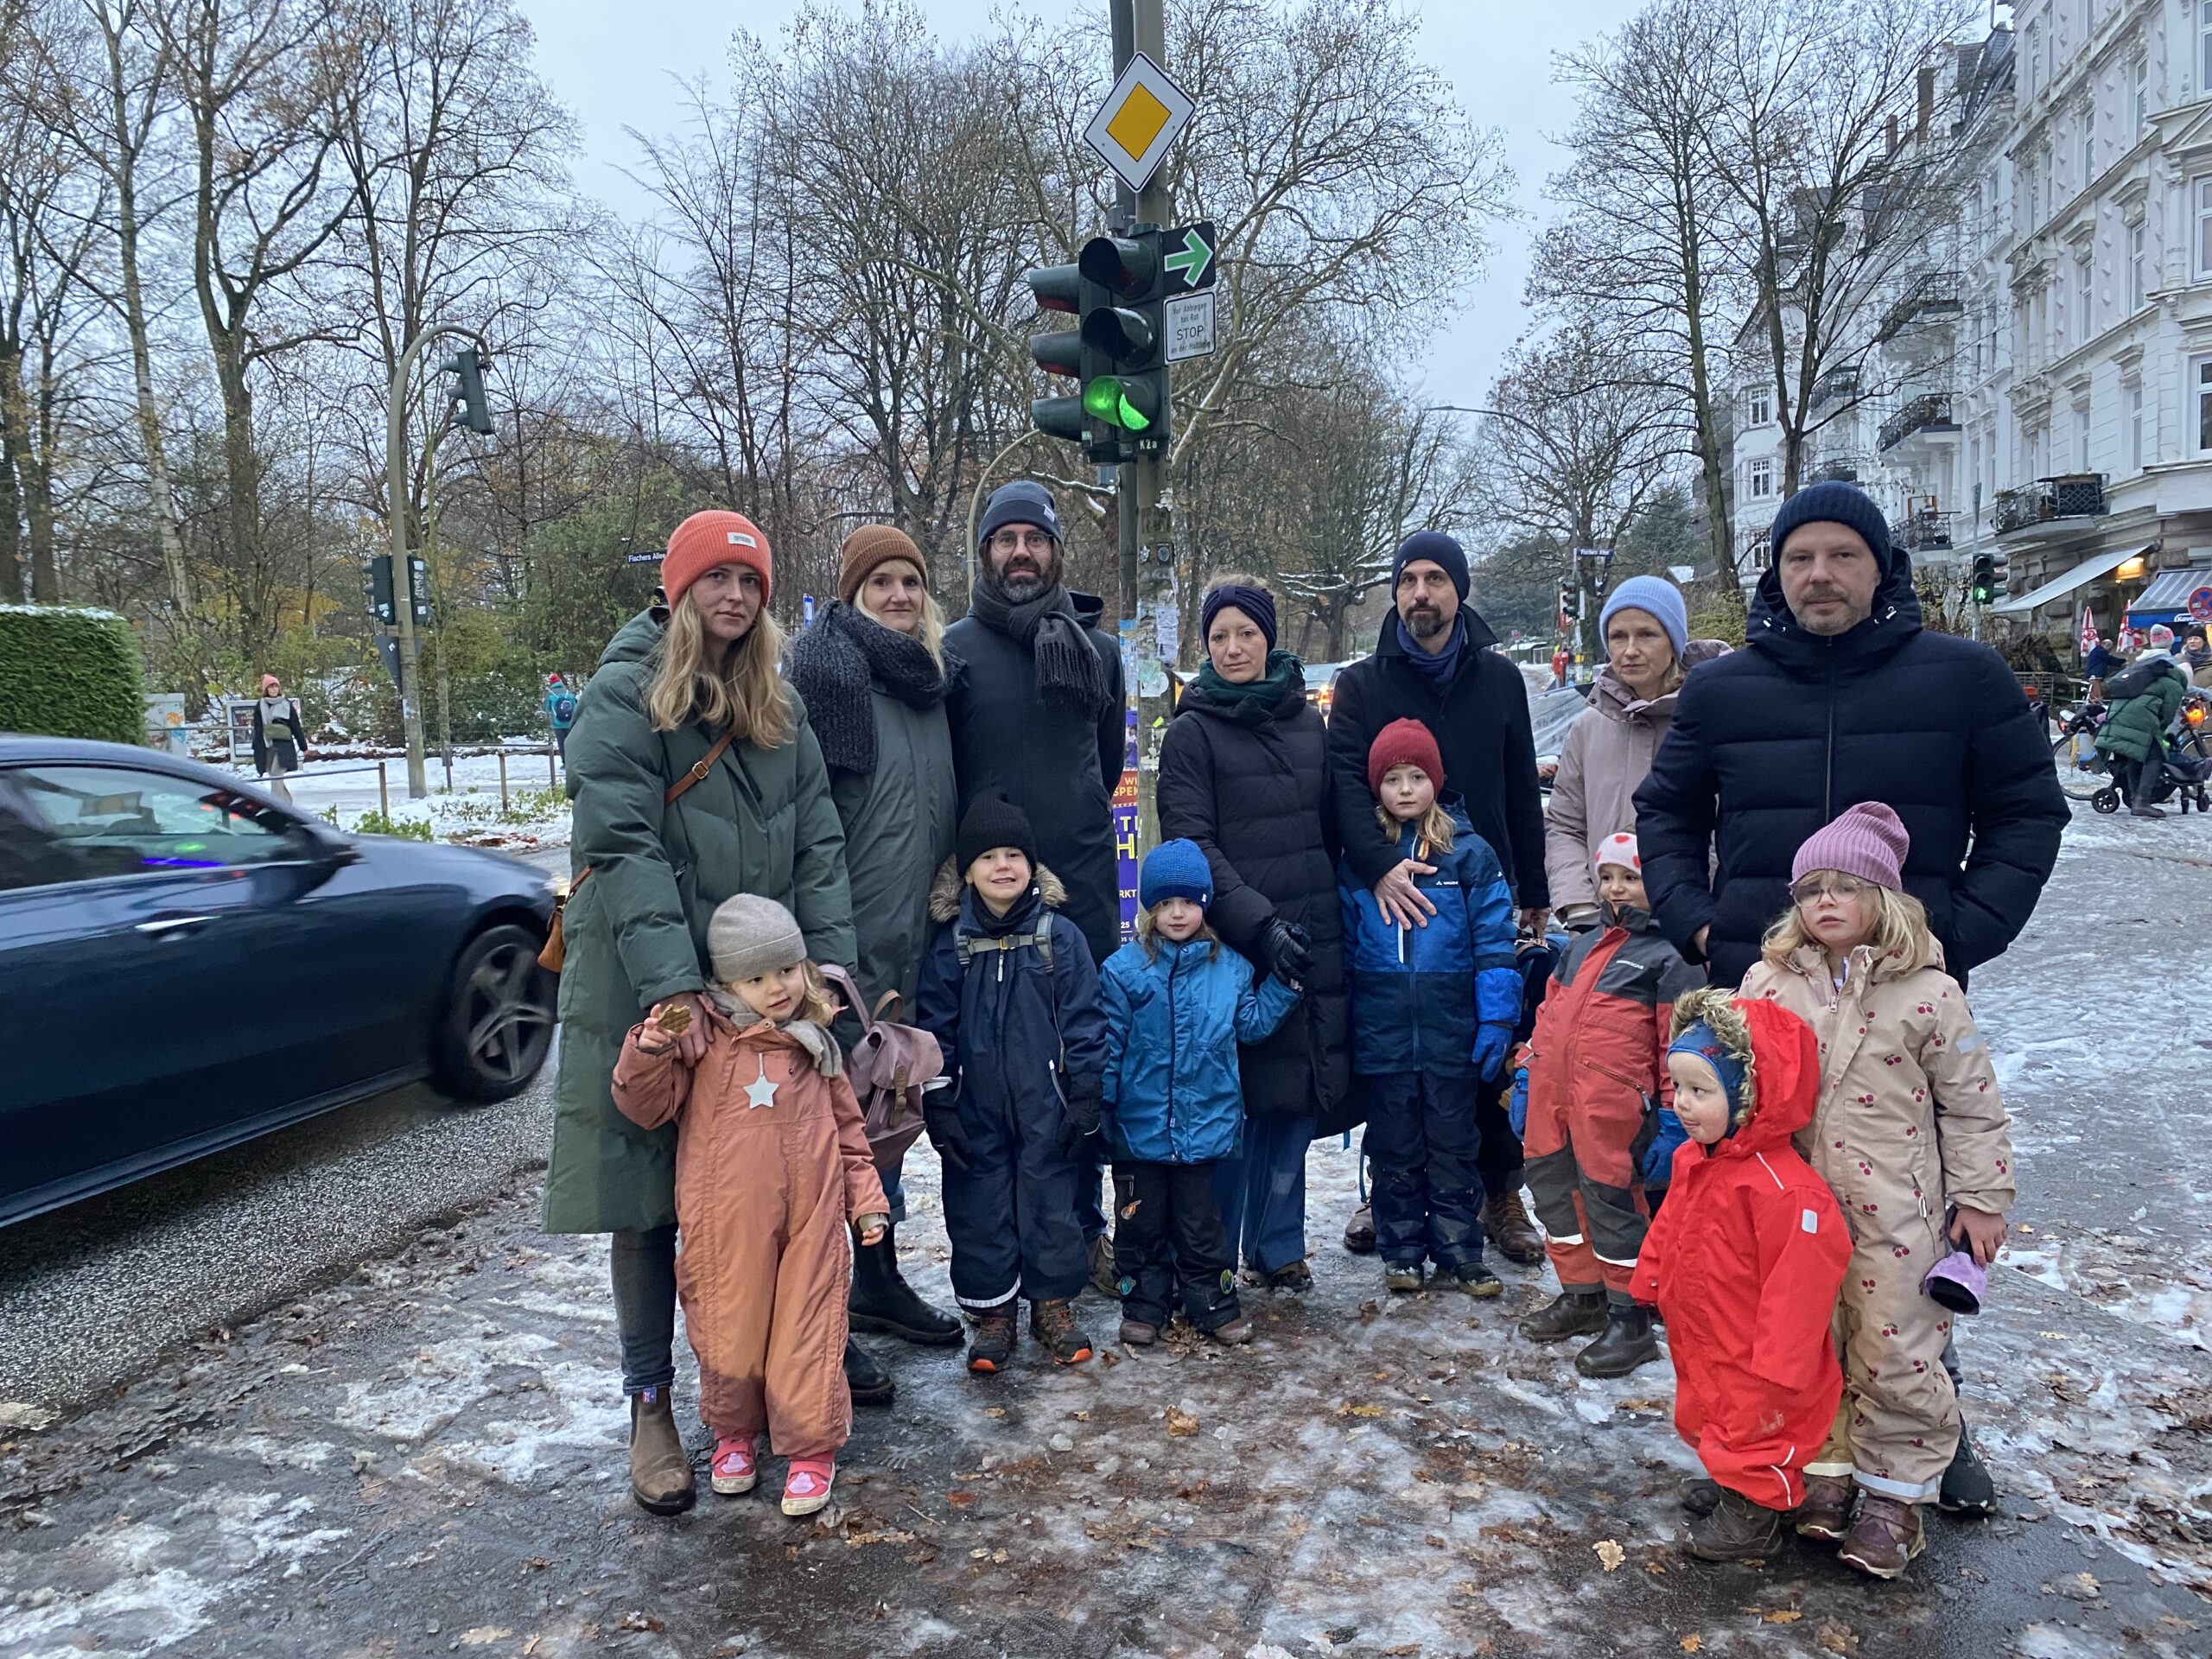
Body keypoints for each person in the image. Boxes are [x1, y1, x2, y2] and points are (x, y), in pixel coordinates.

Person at [542, 509, 855, 1519]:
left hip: (761, 988)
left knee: (766, 1199)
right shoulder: (625, 693)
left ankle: (764, 1393)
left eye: (751, 582)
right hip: (652, 981)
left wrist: (825, 970)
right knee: (646, 1200)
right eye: (715, 579)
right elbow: (623, 845)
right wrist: (679, 986)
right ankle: (652, 1405)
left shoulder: (779, 703)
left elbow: (817, 842)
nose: (734, 596)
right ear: (677, 589)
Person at [1636, 480, 2067, 993]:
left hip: (1907, 991)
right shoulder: (1718, 690)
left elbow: (2026, 814)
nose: (1819, 574)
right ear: (1778, 571)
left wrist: (1956, 934)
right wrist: (1704, 928)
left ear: (1879, 567)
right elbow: (1667, 812)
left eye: (1843, 554)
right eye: (1799, 558)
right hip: (1757, 980)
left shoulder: (1965, 676)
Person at [1738, 804, 2016, 1579]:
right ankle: (1824, 1475)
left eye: (1845, 887)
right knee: (1811, 1343)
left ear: (1886, 899)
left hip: (1898, 1213)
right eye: (1809, 890)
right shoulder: (1767, 981)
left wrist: (1982, 1200)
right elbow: (1739, 1079)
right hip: (1795, 1210)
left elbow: (1971, 1105)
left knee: (1897, 1350)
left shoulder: (1930, 994)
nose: (1824, 902)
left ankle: (1895, 1499)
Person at [609, 895, 889, 1519]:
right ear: (727, 983)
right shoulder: (706, 1042)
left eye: (786, 971)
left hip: (812, 1223)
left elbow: (849, 1135)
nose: (777, 988)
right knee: (730, 1336)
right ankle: (735, 1435)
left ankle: (812, 1449)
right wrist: (649, 1048)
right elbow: (645, 1105)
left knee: (806, 1334)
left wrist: (865, 1202)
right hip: (725, 1225)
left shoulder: (816, 1047)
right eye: (756, 978)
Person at [1325, 531, 1549, 1266]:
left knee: (1485, 1049)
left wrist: (1534, 893)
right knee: (1397, 1057)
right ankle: (1381, 1191)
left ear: (1459, 590)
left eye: (1435, 580)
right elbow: (1344, 791)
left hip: (1482, 885)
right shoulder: (1362, 684)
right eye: (1408, 580)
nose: (1420, 593)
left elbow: (1521, 788)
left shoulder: (1498, 678)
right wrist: (1378, 867)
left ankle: (1497, 1191)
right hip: (1392, 890)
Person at [783, 524, 962, 1351]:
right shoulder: (832, 680)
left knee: (886, 1120)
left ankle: (877, 1280)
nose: (898, 595)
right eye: (880, 582)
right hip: (841, 953)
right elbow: (806, 825)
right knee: (827, 1140)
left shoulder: (927, 687)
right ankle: (823, 1313)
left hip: (910, 944)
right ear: (853, 594)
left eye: (909, 582)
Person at [944, 480, 1126, 1290]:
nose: (1021, 552)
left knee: (1079, 1072)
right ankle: (1005, 1250)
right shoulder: (952, 652)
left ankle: (1082, 1231)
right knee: (995, 1087)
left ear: (1057, 551)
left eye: (1036, 539)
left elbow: (1109, 764)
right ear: (985, 552)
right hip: (986, 905)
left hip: (1079, 893)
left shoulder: (1100, 652)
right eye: (1005, 538)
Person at [1155, 575, 1351, 1291]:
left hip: (1314, 932)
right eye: (1218, 637)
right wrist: (1258, 926)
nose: (1233, 648)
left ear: (1269, 638)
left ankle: (1279, 1244)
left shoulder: (1307, 722)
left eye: (1245, 633)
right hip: (1238, 942)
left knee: (1295, 1100)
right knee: (1235, 1104)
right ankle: (1214, 1253)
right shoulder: (1191, 731)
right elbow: (1194, 844)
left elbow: (1330, 827)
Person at [1631, 990, 1851, 1565]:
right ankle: (1734, 1489)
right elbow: (1669, 1224)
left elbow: (1802, 1283)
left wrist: (1780, 1362)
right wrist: (1651, 1280)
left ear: (1752, 1095)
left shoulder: (1785, 1190)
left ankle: (1754, 1515)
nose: (1682, 1104)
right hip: (1704, 1327)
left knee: (1756, 1427)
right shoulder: (1693, 1160)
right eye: (1678, 1088)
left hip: (1756, 1349)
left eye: (1701, 1091)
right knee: (1709, 1411)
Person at [915, 789, 1109, 1375]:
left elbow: (1084, 1017)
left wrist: (1086, 1094)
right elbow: (935, 1027)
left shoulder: (1061, 937)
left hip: (1045, 1103)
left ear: (1032, 866)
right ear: (967, 872)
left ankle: (1052, 1306)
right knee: (980, 1204)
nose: (1004, 866)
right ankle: (994, 1312)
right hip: (975, 1106)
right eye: (989, 857)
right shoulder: (951, 945)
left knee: (1052, 1202)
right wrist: (940, 1100)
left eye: (1014, 855)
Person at [1338, 719, 1520, 1297]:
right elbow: (1344, 941)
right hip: (1384, 1024)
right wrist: (1345, 1016)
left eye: (1417, 776)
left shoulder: (1469, 854)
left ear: (1436, 781)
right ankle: (1402, 1248)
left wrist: (1495, 1017)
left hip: (1450, 1024)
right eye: (1393, 778)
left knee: (1452, 1141)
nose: (1407, 789)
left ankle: (1459, 1247)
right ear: (1377, 787)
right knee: (1394, 1143)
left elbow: (1495, 941)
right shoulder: (1363, 858)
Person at [1099, 839, 1300, 1347]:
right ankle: (1145, 1304)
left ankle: (1212, 1302)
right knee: (1141, 1225)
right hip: (1140, 1130)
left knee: (1202, 1227)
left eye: (1187, 902)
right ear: (1149, 908)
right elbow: (1110, 1047)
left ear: (1204, 904)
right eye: (1165, 903)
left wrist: (1287, 985)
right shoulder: (1123, 972)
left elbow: (1250, 1026)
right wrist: (1099, 1108)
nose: (1177, 913)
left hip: (1206, 1128)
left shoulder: (1230, 969)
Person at [1517, 833, 1702, 1378]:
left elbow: (1678, 1045)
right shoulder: (1577, 945)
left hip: (1616, 1109)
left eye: (1631, 878)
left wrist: (1672, 1117)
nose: (1616, 889)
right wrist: (1528, 1072)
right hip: (1553, 1100)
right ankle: (1582, 1295)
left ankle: (1632, 1318)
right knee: (1553, 1194)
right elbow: (1548, 1016)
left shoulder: (1673, 957)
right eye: (1607, 878)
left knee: (1612, 1205)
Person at [1544, 575, 1727, 931]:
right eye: (1618, 636)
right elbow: (1565, 824)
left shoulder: (1715, 718)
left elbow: (1731, 829)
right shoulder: (1588, 726)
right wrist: (1580, 906)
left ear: (1674, 642)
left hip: (1694, 929)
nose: (1630, 649)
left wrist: (1699, 913)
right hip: (1604, 926)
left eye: (1646, 635)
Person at [2092, 624, 2190, 819]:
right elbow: (2168, 714)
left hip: (2117, 716)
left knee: (2136, 756)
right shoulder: (2174, 684)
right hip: (2138, 722)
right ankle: (2142, 802)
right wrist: (2161, 730)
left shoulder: (2147, 676)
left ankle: (2136, 797)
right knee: (2155, 756)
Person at [251, 676, 308, 803]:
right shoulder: (259, 706)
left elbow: (295, 726)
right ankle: (287, 802)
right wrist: (257, 748)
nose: (274, 689)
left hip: (284, 746)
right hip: (267, 745)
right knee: (272, 774)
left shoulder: (286, 704)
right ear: (266, 689)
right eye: (271, 686)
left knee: (277, 774)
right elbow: (258, 728)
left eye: (276, 686)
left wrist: (303, 746)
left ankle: (276, 805)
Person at [544, 674, 579, 760]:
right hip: (569, 722)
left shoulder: (550, 693)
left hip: (557, 723)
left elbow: (546, 708)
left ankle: (565, 762)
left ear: (551, 683)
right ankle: (573, 760)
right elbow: (575, 706)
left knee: (561, 743)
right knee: (570, 742)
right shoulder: (568, 692)